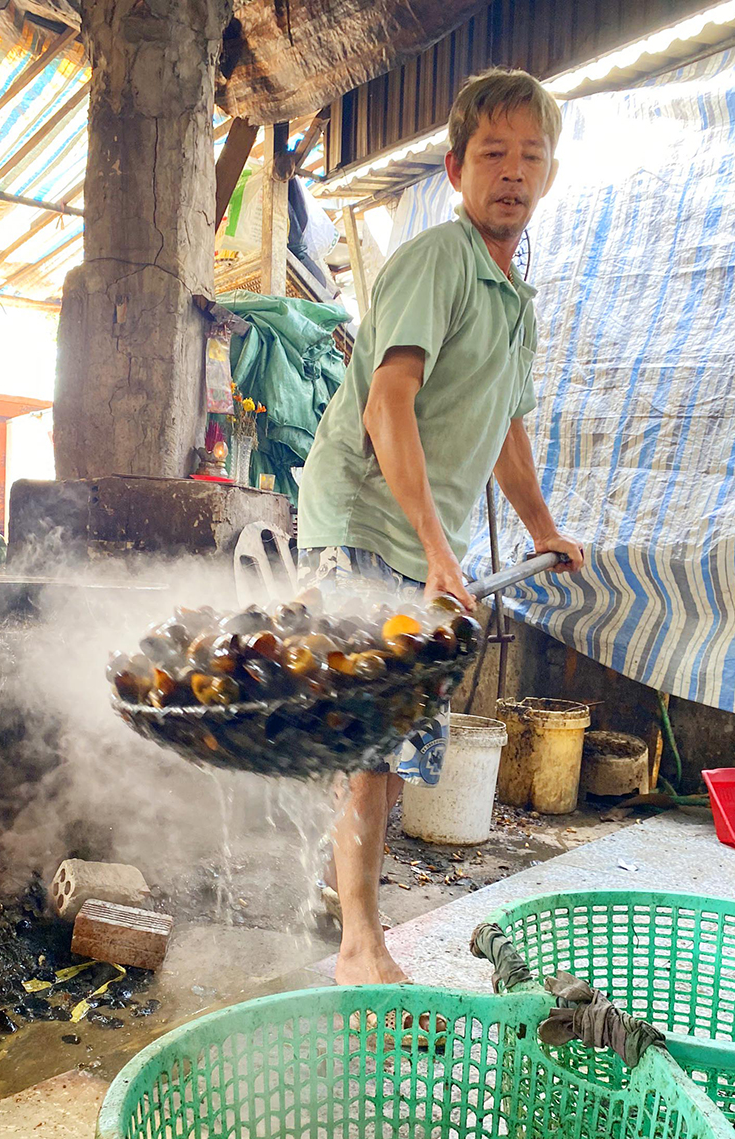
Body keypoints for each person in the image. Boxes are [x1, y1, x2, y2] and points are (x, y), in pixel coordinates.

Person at [296, 67, 586, 989]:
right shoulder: (438, 260)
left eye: (530, 157)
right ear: (457, 169)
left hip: (412, 541)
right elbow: (389, 404)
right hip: (361, 519)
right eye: (493, 154)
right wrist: (435, 548)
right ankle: (358, 947)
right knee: (370, 744)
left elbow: (505, 424)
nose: (512, 172)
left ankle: (347, 915)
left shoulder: (514, 301)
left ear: (547, 175)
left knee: (382, 746)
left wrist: (544, 525)